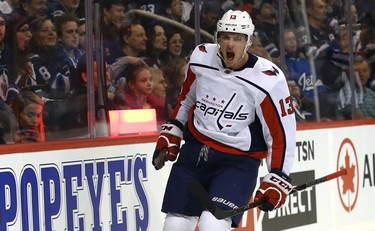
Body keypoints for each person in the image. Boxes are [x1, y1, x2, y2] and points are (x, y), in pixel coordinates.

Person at [152, 10, 296, 230]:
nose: (230, 44)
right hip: (194, 153)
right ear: (217, 38)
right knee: (174, 225)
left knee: (213, 224)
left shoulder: (268, 79)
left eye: (237, 38)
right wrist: (174, 130)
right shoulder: (201, 57)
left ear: (247, 41)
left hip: (237, 162)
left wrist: (277, 175)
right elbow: (187, 98)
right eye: (225, 36)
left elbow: (281, 134)